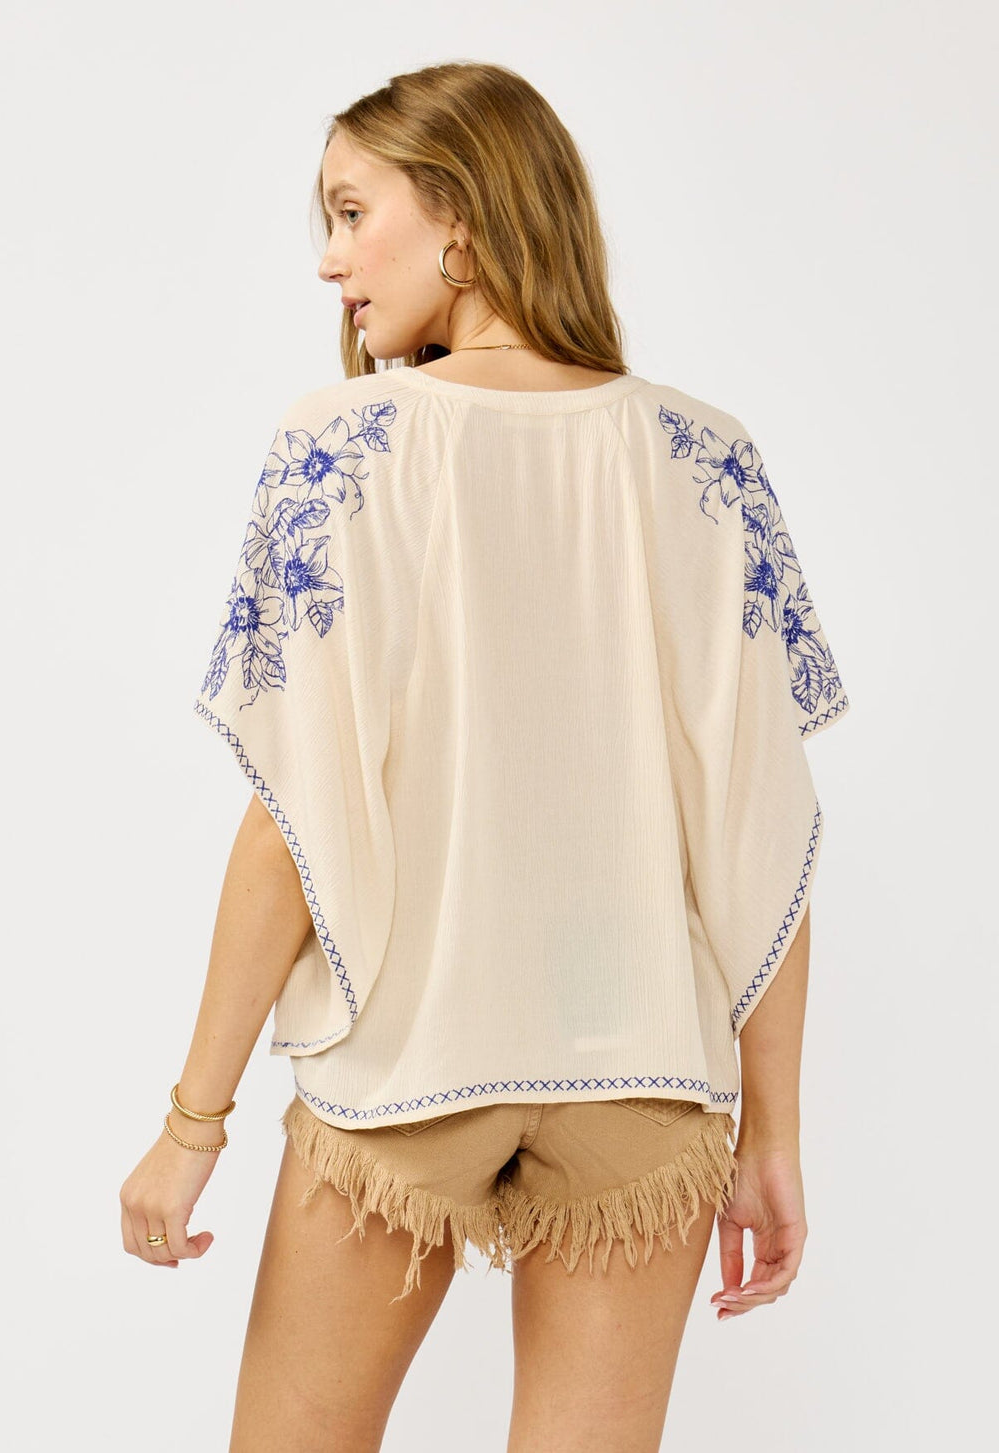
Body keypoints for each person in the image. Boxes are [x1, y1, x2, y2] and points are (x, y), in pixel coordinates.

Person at [119, 61, 850, 1453]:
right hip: (642, 1063)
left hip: (410, 1057)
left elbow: (293, 824)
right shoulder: (706, 458)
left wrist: (191, 1122)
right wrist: (773, 1134)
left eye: (351, 213)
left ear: (459, 213)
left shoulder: (342, 448)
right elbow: (761, 832)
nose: (330, 261)